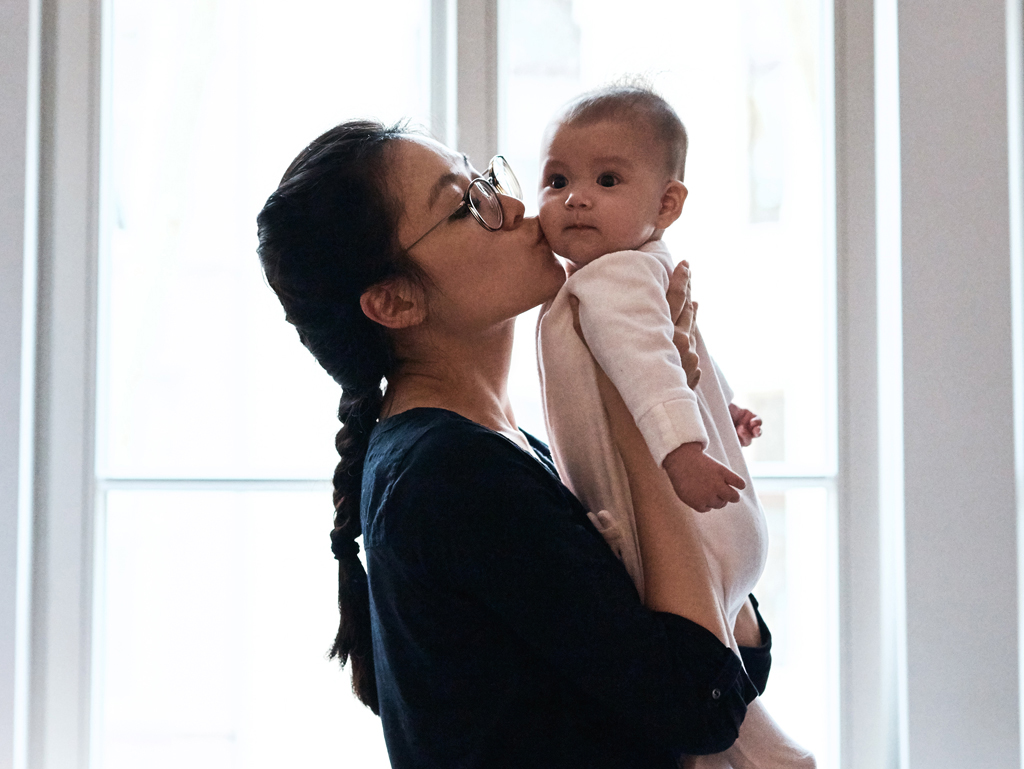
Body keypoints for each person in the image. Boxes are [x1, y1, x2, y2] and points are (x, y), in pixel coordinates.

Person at [256, 119, 768, 769]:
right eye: (468, 205)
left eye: (485, 180)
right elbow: (702, 699)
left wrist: (675, 401)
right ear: (394, 301)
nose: (521, 207)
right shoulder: (450, 476)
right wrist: (644, 412)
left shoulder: (507, 446)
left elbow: (738, 662)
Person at [535, 85, 816, 768]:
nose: (576, 197)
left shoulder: (611, 280)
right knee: (731, 713)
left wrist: (686, 450)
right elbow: (685, 355)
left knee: (706, 718)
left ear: (667, 204)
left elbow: (652, 367)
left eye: (607, 180)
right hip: (717, 545)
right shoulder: (641, 267)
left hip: (676, 524)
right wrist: (724, 403)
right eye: (557, 179)